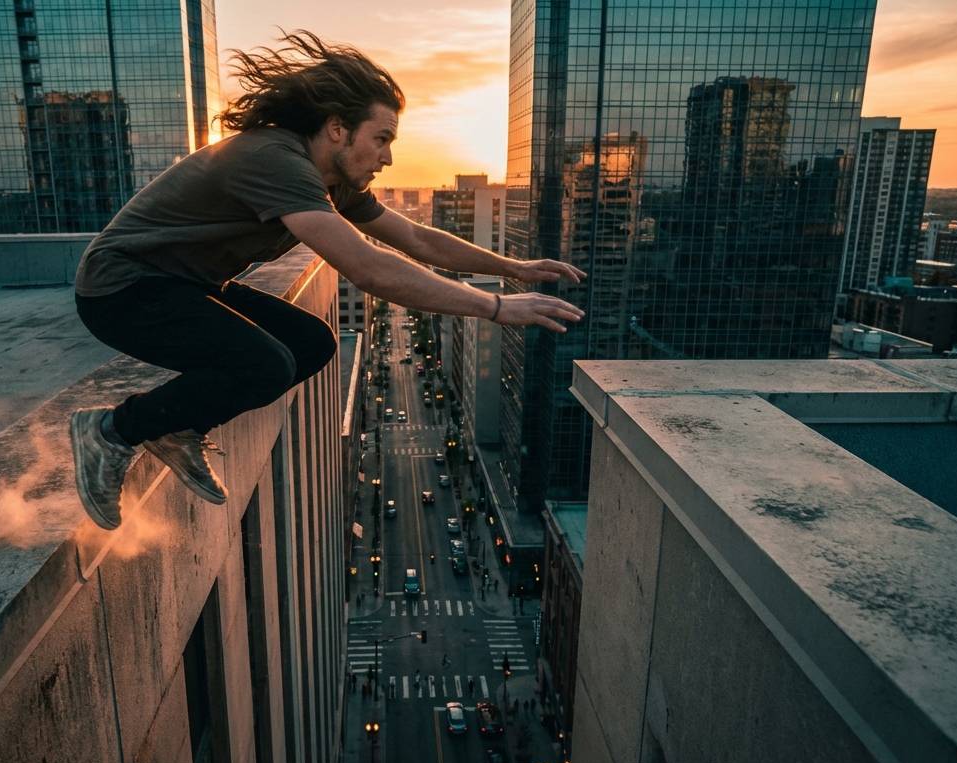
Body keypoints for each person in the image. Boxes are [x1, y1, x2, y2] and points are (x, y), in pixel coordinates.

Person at [69, 30, 586, 528]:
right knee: (265, 364)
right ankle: (112, 431)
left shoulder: (334, 182)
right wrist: (495, 308)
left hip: (186, 284)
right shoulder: (275, 160)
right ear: (338, 129)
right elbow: (367, 267)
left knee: (312, 343)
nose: (388, 156)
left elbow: (416, 238)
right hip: (121, 289)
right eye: (381, 139)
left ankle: (178, 428)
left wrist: (513, 269)